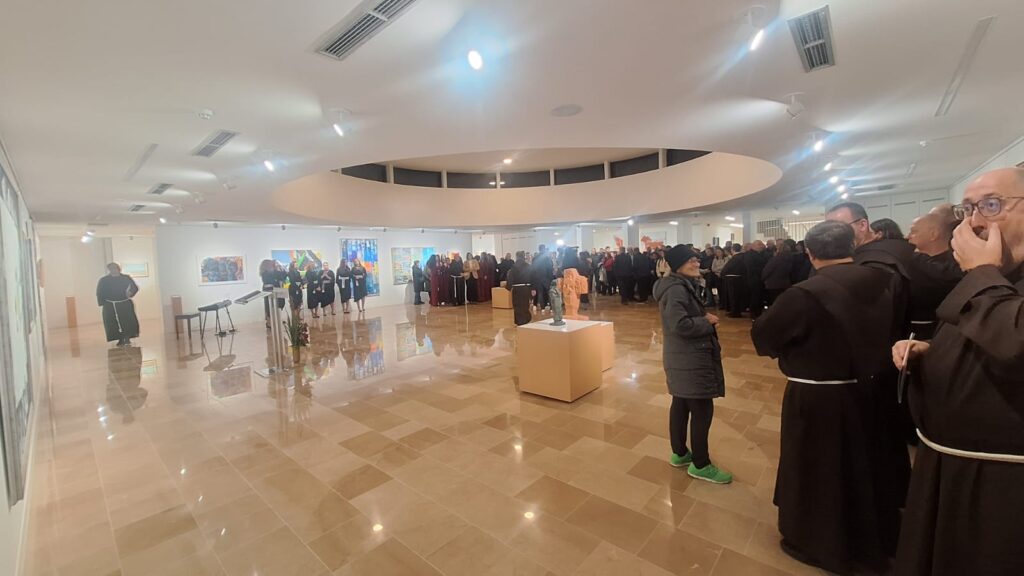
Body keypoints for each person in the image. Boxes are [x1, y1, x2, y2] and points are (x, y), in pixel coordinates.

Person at [892, 167, 1024, 576]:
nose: (975, 222)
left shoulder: (986, 273)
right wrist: (933, 353)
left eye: (992, 205)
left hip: (999, 482)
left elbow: (1016, 344)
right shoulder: (998, 273)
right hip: (948, 463)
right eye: (968, 209)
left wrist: (981, 273)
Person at [752, 221, 899, 574]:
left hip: (819, 396)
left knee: (820, 468)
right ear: (853, 246)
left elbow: (764, 339)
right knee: (860, 465)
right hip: (867, 389)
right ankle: (870, 535)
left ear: (810, 252)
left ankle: (821, 542)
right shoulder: (883, 280)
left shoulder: (805, 294)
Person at [653, 245, 732, 484]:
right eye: (690, 260)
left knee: (681, 403)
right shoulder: (676, 289)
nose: (696, 263)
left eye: (697, 259)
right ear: (678, 265)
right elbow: (680, 325)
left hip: (683, 357)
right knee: (701, 409)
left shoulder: (678, 285)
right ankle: (701, 464)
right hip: (691, 358)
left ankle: (679, 453)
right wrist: (707, 321)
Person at [905, 205, 963, 340]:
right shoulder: (913, 262)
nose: (908, 237)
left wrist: (912, 256)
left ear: (933, 234)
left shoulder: (956, 265)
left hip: (942, 336)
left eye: (914, 232)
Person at [96, 263, 140, 346]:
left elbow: (135, 287)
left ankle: (127, 337)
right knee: (112, 322)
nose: (113, 270)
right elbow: (99, 291)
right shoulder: (104, 280)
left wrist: (131, 293)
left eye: (114, 268)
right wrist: (102, 302)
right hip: (110, 304)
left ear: (118, 269)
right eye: (111, 269)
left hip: (124, 302)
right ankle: (119, 338)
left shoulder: (126, 278)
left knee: (127, 321)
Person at [761, 239, 795, 306]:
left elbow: (767, 270)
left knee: (774, 303)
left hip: (773, 283)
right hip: (785, 283)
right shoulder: (790, 258)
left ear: (779, 249)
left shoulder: (776, 259)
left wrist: (762, 278)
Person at [505, 251, 533, 326]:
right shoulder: (528, 266)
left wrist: (508, 287)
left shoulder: (514, 267)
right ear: (523, 257)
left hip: (517, 289)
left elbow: (510, 278)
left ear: (516, 257)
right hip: (526, 288)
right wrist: (532, 287)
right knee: (525, 304)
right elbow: (532, 277)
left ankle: (520, 321)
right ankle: (526, 319)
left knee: (517, 305)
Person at [721, 244, 747, 317]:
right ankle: (734, 311)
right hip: (737, 279)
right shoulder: (742, 256)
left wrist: (722, 274)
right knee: (735, 296)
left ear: (732, 249)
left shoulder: (736, 257)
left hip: (733, 279)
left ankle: (735, 312)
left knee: (733, 296)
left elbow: (728, 268)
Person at [744, 240, 769, 319]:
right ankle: (754, 314)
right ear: (753, 246)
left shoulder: (762, 254)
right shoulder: (749, 255)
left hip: (761, 279)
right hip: (754, 279)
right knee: (755, 296)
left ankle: (759, 313)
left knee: (760, 297)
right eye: (759, 244)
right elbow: (751, 267)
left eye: (761, 244)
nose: (761, 246)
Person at [259, 259, 286, 329]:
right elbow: (270, 280)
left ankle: (277, 319)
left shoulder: (274, 271)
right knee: (269, 306)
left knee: (280, 304)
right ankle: (269, 322)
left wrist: (280, 268)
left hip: (278, 289)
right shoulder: (265, 273)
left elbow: (283, 276)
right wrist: (276, 279)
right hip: (270, 291)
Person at [530, 245, 554, 311]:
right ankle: (549, 307)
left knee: (540, 293)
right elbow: (550, 269)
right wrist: (551, 278)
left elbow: (532, 270)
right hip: (546, 278)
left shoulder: (535, 258)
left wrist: (533, 279)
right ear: (544, 249)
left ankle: (542, 307)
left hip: (537, 278)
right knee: (547, 293)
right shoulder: (547, 258)